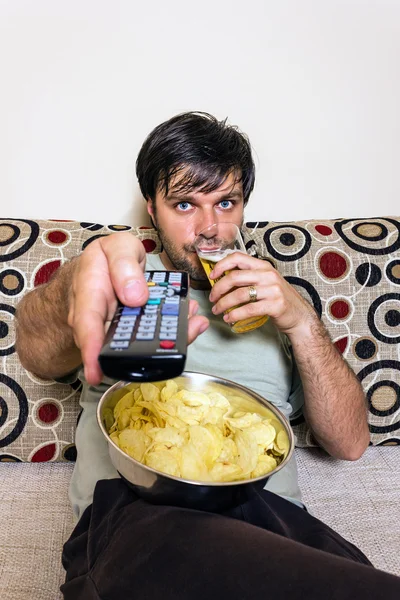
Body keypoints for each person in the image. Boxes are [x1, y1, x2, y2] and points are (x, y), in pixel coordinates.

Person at [15, 112, 400, 599]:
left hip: (274, 524)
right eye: (184, 204)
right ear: (151, 210)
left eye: (226, 203)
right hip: (138, 513)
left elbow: (349, 444)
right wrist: (74, 283)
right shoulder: (122, 278)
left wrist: (301, 321)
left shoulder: (279, 302)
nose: (209, 228)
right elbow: (36, 354)